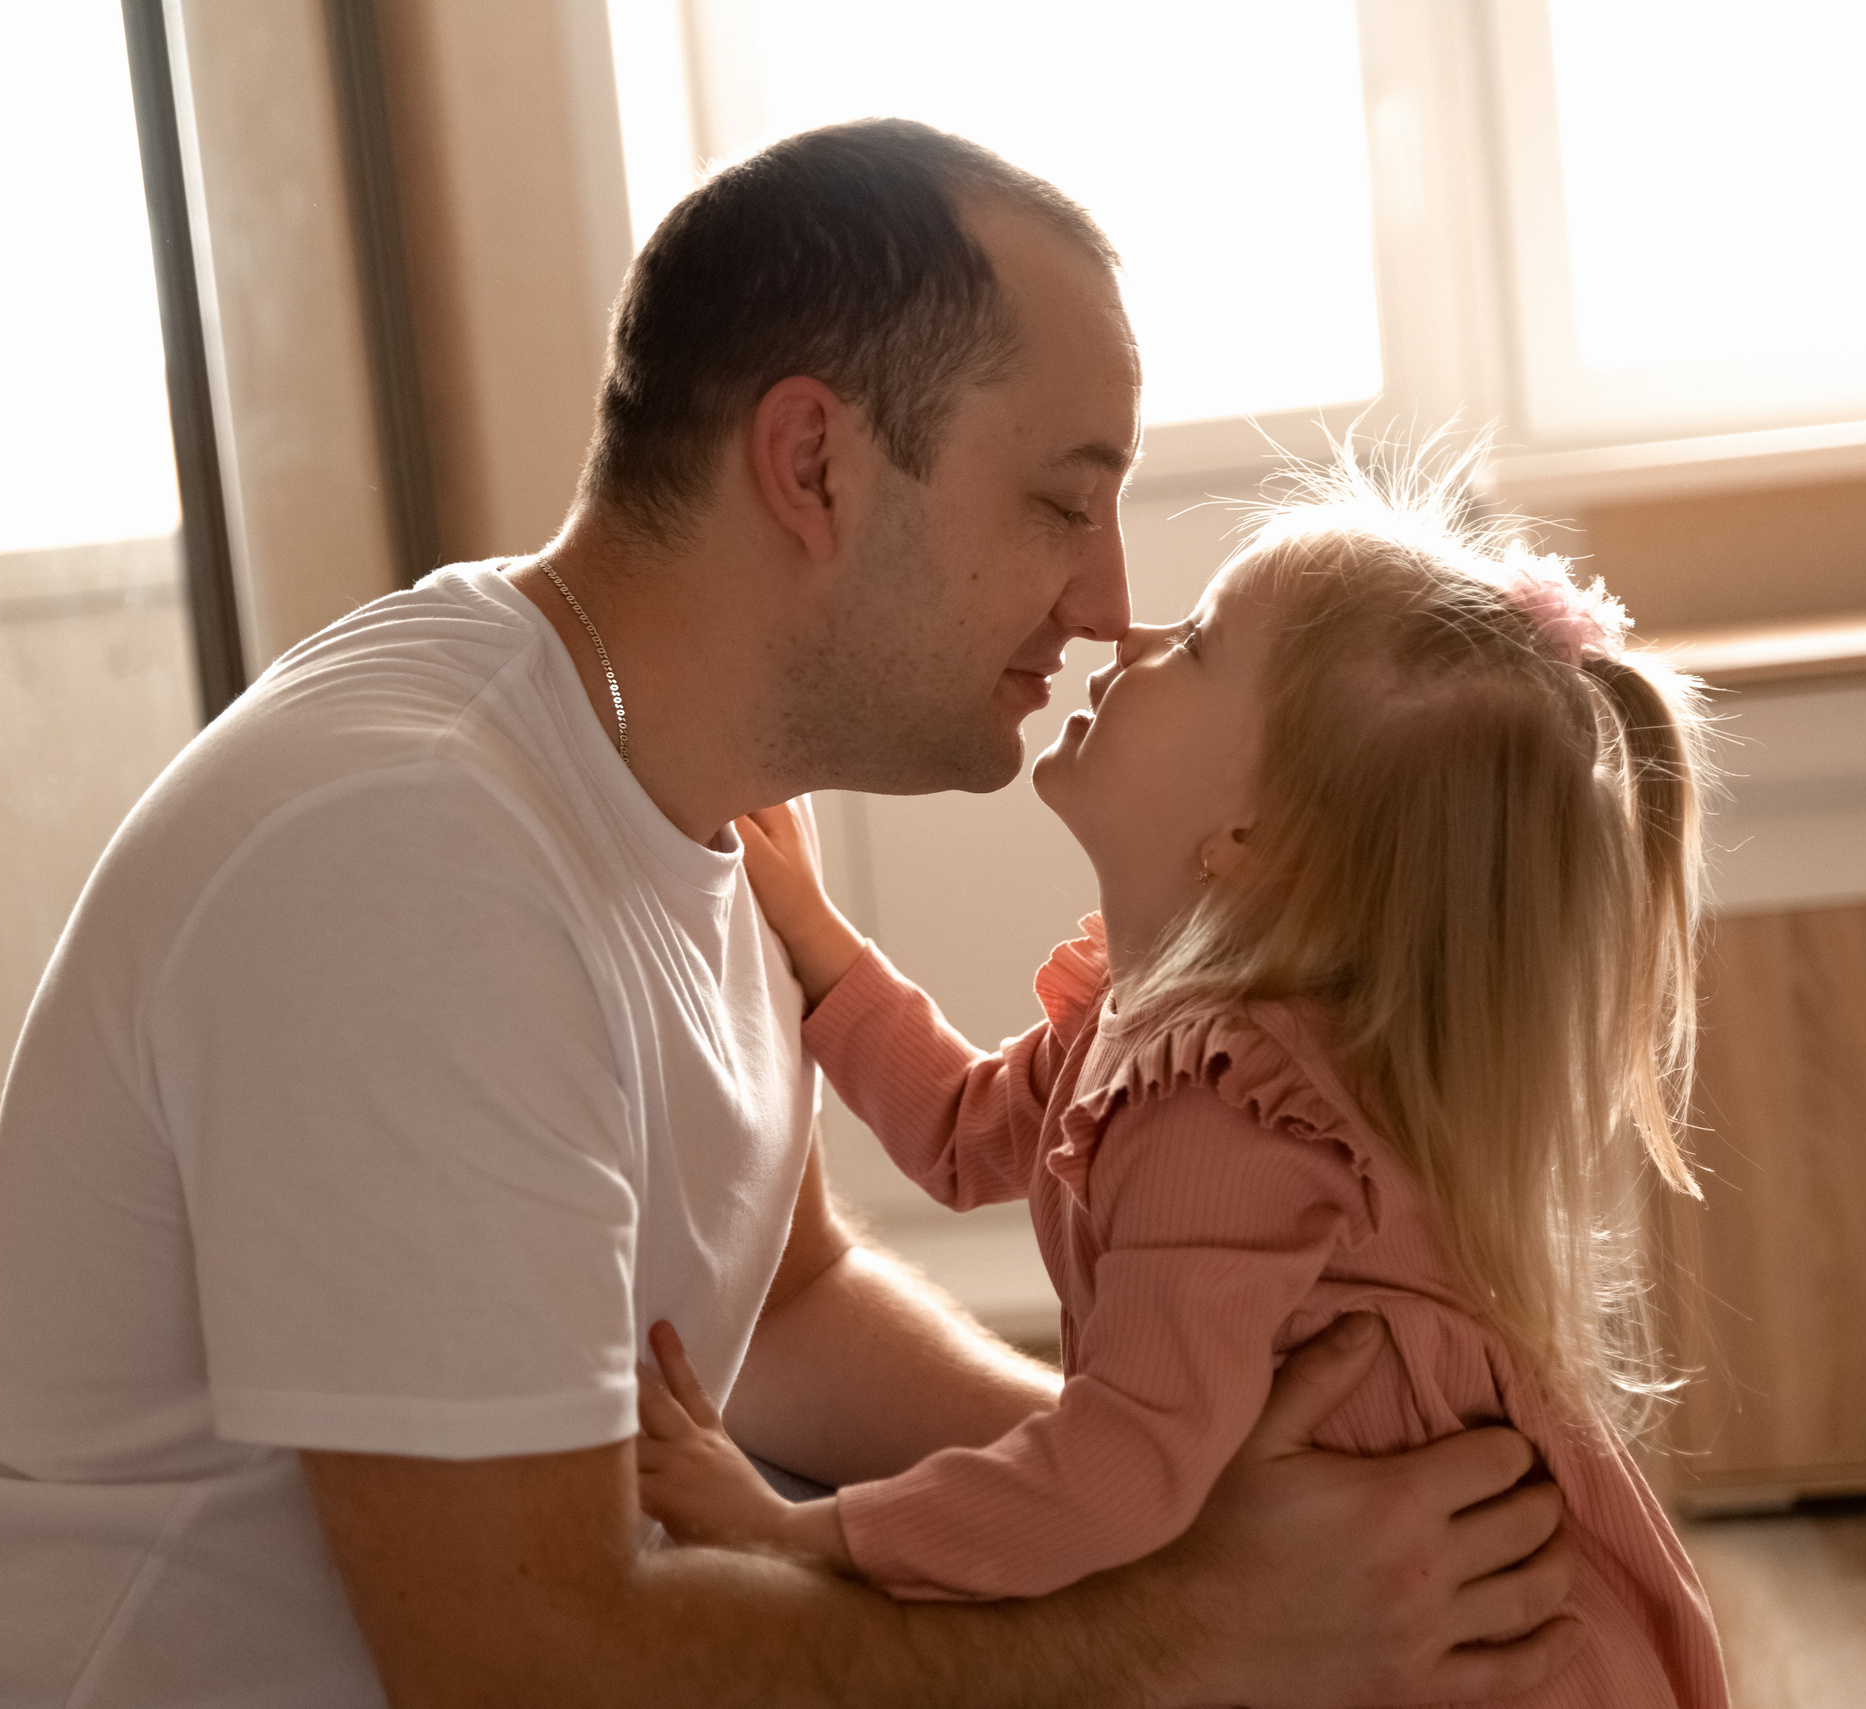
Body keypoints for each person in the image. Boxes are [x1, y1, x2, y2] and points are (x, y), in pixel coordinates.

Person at [0, 122, 1583, 1707]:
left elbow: (785, 1301)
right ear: (812, 465)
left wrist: (1204, 1488)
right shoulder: (413, 860)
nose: (1111, 606)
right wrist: (1183, 1629)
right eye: (1061, 501)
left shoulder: (686, 777)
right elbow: (525, 1662)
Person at [634, 456, 1729, 1705]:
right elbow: (959, 1131)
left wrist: (797, 1538)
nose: (1129, 632)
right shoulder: (1169, 1029)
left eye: (1198, 643)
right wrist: (815, 937)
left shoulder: (1224, 1110)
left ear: (1257, 837)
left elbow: (1115, 1470)